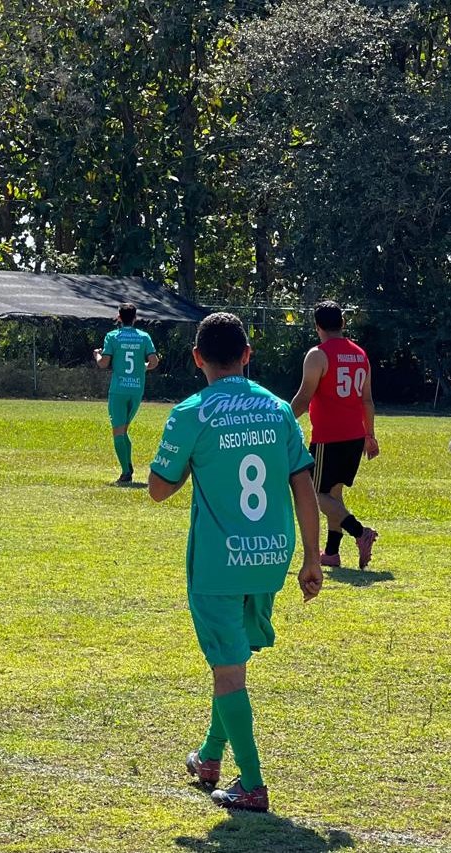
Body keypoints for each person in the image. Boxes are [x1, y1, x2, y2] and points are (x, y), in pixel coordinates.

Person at [148, 312, 321, 813]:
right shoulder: (276, 410)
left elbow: (159, 489)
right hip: (270, 556)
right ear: (247, 354)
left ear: (198, 358)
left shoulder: (191, 412)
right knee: (232, 662)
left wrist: (189, 466)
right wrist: (312, 557)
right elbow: (302, 485)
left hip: (219, 562)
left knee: (228, 671)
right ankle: (208, 757)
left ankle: (252, 783)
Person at [290, 301, 380, 569]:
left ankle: (360, 532)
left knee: (314, 493)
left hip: (329, 438)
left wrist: (279, 419)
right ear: (342, 323)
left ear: (317, 326)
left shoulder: (318, 355)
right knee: (333, 494)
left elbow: (304, 398)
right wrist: (370, 435)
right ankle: (331, 553)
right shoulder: (361, 354)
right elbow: (367, 400)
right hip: (354, 435)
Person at [93, 303, 160, 484]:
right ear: (135, 318)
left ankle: (125, 473)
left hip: (118, 390)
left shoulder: (112, 337)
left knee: (118, 432)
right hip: (137, 389)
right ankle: (128, 467)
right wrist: (143, 368)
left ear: (119, 317)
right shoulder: (144, 337)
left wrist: (97, 355)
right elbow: (154, 361)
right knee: (124, 431)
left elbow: (104, 363)